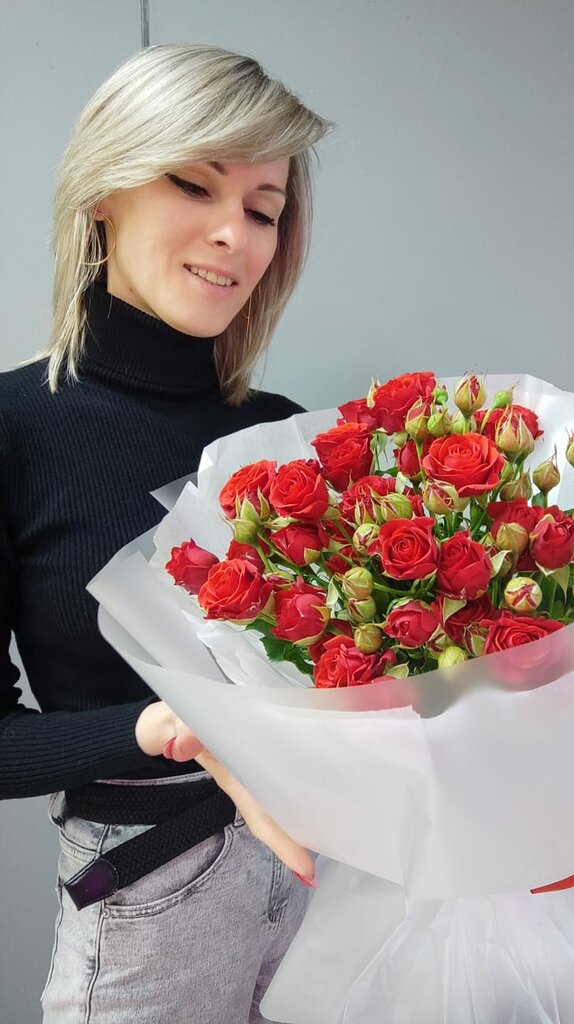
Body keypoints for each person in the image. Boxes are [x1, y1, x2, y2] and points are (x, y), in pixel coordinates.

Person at [0, 43, 332, 1022]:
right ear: (104, 191)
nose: (234, 233)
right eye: (195, 185)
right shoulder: (16, 429)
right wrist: (163, 726)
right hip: (151, 885)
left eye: (264, 209)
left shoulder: (283, 434)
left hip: (327, 883)